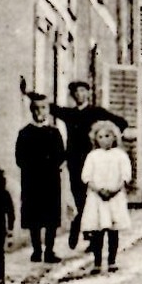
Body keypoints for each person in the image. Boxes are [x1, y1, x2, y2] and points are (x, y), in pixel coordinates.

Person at [50, 80, 127, 252]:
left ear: (87, 93)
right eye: (76, 92)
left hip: (94, 161)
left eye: (83, 91)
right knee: (79, 197)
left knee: (93, 198)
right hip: (75, 162)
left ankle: (89, 235)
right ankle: (81, 224)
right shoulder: (69, 114)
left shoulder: (96, 112)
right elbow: (51, 108)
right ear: (72, 95)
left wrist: (112, 142)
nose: (80, 95)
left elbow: (121, 122)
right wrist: (27, 94)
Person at [14, 91, 70, 264]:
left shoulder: (54, 132)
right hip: (31, 179)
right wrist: (32, 167)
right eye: (36, 108)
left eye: (44, 108)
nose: (40, 112)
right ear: (32, 110)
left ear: (48, 110)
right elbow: (19, 157)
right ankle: (36, 250)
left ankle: (50, 250)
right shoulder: (25, 133)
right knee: (34, 216)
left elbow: (61, 155)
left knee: (51, 215)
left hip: (51, 179)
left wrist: (51, 165)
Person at [80, 119, 134, 275]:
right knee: (97, 231)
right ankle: (97, 262)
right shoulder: (93, 156)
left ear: (114, 137)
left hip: (114, 197)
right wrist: (98, 190)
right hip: (97, 197)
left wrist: (115, 190)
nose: (104, 140)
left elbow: (125, 176)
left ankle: (112, 261)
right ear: (95, 139)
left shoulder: (120, 155)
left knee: (113, 230)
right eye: (100, 137)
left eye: (107, 136)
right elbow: (87, 177)